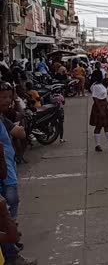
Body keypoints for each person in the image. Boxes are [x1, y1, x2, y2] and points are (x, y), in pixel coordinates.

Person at [0, 81, 37, 265]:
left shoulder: (2, 118)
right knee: (7, 218)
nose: (8, 100)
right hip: (5, 178)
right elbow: (20, 133)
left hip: (8, 172)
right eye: (4, 97)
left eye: (9, 96)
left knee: (7, 218)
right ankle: (12, 256)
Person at [89, 70, 108, 152]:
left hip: (105, 104)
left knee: (107, 125)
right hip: (99, 106)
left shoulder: (101, 85)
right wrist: (100, 110)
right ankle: (97, 145)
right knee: (98, 126)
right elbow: (95, 98)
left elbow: (107, 92)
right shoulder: (94, 86)